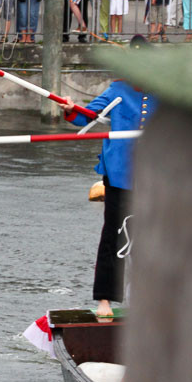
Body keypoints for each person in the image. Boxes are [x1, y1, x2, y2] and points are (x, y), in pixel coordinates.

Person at [61, 82, 156, 317]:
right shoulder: (117, 90)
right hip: (119, 174)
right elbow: (85, 118)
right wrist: (71, 108)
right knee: (113, 236)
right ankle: (105, 300)